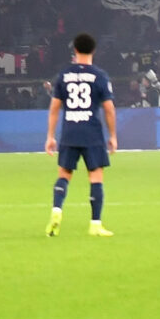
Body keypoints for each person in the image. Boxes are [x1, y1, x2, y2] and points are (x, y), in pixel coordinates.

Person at [44, 32, 116, 238]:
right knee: (95, 177)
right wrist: (112, 136)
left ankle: (57, 211)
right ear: (94, 51)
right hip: (92, 132)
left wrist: (50, 136)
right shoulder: (100, 75)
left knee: (64, 175)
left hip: (70, 132)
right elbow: (109, 109)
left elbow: (54, 108)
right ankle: (95, 224)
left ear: (74, 50)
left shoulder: (64, 75)